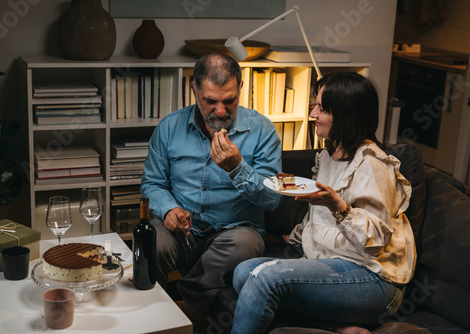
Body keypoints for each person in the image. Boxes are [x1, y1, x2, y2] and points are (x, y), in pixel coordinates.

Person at [231, 72, 417, 334]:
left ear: (345, 115)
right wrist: (297, 237)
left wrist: (338, 207)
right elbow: (319, 220)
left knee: (264, 279)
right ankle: (338, 327)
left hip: (374, 279)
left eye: (322, 108)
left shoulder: (373, 164)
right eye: (315, 105)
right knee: (243, 272)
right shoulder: (329, 156)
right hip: (335, 264)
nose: (312, 114)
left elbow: (374, 243)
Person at [140, 53, 283, 316]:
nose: (220, 111)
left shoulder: (262, 131)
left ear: (240, 87)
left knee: (245, 245)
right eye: (210, 101)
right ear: (194, 89)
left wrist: (237, 168)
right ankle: (148, 315)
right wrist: (169, 209)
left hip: (235, 231)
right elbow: (152, 183)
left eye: (229, 101)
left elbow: (273, 199)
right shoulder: (170, 127)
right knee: (150, 241)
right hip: (180, 231)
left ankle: (178, 307)